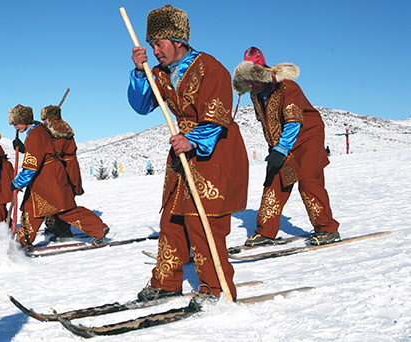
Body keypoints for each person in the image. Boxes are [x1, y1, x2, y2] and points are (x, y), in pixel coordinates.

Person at [127, 5, 249, 301]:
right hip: (182, 152)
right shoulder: (160, 73)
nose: (155, 50)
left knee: (202, 219)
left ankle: (215, 288)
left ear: (178, 40)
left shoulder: (210, 67)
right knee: (171, 219)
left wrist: (193, 140)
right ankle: (166, 282)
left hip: (216, 150)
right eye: (152, 44)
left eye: (159, 43)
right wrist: (139, 72)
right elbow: (141, 106)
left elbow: (218, 114)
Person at [232, 46, 340, 246]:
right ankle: (266, 232)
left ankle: (327, 228)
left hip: (308, 138)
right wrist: (275, 148)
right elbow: (268, 123)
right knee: (273, 182)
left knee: (309, 183)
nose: (250, 84)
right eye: (247, 80)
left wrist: (280, 150)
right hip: (281, 142)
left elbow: (293, 121)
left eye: (253, 78)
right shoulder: (256, 95)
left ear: (263, 75)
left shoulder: (288, 88)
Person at [8, 104, 109, 250]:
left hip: (49, 178)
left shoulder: (35, 134)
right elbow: (38, 153)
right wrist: (24, 148)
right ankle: (22, 241)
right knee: (32, 209)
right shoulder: (38, 131)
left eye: (16, 123)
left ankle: (98, 229)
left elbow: (31, 165)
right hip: (43, 179)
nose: (15, 127)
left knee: (64, 210)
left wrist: (17, 183)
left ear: (24, 120)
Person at [38, 102, 84, 240]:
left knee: (64, 201)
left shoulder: (59, 130)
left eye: (45, 119)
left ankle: (63, 231)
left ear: (51, 118)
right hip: (61, 168)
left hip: (66, 169)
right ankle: (55, 227)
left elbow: (55, 151)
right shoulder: (55, 129)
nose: (44, 122)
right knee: (57, 199)